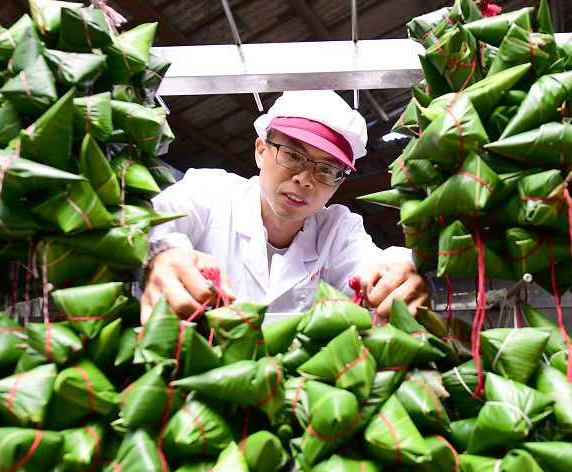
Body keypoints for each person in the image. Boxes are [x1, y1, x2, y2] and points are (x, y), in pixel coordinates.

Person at [140, 89, 430, 323]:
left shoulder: (338, 229)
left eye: (327, 170)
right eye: (293, 155)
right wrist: (163, 255)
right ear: (261, 151)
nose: (305, 179)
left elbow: (369, 265)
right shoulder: (210, 192)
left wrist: (399, 272)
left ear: (338, 184)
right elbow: (154, 221)